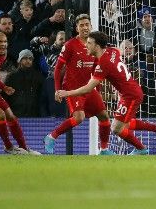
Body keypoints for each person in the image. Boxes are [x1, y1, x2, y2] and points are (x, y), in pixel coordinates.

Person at [56, 31, 156, 155]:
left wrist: (67, 93)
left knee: (116, 128)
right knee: (123, 123)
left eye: (89, 43)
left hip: (131, 96)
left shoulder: (104, 63)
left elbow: (88, 88)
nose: (86, 45)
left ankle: (142, 149)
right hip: (129, 92)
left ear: (97, 46)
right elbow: (117, 52)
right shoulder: (112, 51)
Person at [44, 15, 112, 154]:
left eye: (87, 24)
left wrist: (97, 89)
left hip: (89, 89)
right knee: (79, 117)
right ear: (77, 28)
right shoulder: (70, 45)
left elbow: (95, 69)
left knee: (104, 116)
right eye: (81, 25)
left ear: (91, 26)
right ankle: (51, 137)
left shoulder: (95, 45)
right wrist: (58, 89)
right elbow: (58, 68)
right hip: (72, 88)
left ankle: (104, 149)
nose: (85, 27)